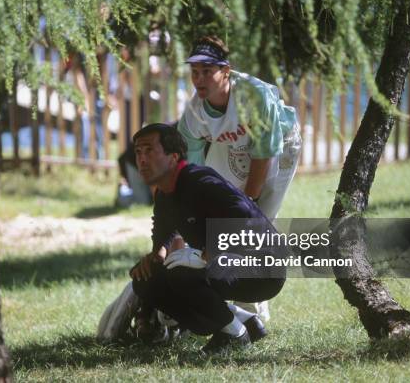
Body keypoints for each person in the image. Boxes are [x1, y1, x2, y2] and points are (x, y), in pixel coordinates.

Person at [129, 123, 286, 353]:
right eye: (138, 152)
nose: (142, 159)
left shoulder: (199, 181)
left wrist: (207, 254)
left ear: (173, 157)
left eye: (149, 150)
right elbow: (162, 231)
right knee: (147, 281)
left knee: (183, 274)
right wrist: (155, 257)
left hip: (263, 269)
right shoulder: (164, 194)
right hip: (226, 265)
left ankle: (235, 335)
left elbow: (244, 214)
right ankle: (245, 321)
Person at [177, 36, 301, 318]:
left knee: (259, 220)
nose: (199, 79)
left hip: (280, 145)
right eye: (195, 72)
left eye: (207, 71)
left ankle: (255, 300)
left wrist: (247, 203)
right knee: (220, 218)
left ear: (226, 71)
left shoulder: (253, 96)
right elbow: (193, 173)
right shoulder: (195, 114)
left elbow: (265, 151)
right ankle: (240, 298)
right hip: (231, 145)